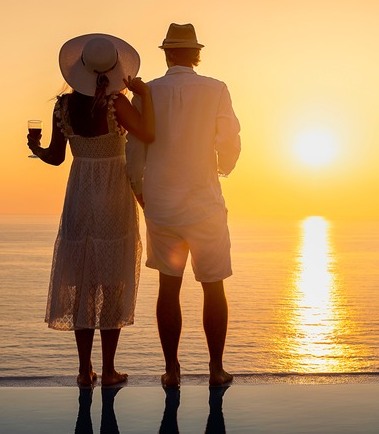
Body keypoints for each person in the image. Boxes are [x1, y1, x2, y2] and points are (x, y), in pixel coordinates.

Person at [27, 33, 155, 387]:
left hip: (80, 194)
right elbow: (148, 133)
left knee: (81, 281)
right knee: (112, 281)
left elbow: (55, 158)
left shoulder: (63, 107)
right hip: (114, 193)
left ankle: (85, 371)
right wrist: (144, 96)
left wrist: (35, 148)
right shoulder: (118, 104)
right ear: (115, 69)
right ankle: (110, 369)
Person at [126, 23, 241, 387]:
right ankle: (215, 368)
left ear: (166, 53)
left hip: (162, 201)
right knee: (214, 286)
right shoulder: (216, 90)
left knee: (168, 287)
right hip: (204, 202)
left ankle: (172, 370)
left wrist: (138, 187)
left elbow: (135, 146)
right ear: (196, 54)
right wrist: (221, 169)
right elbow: (230, 140)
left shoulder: (148, 92)